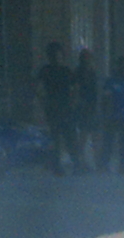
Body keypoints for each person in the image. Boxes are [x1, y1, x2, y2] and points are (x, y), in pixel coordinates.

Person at [37, 42, 76, 175]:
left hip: (66, 108)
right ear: (50, 57)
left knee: (70, 136)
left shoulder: (66, 71)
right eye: (53, 56)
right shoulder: (45, 71)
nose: (56, 58)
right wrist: (43, 102)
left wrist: (73, 102)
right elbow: (38, 88)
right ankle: (56, 165)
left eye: (58, 56)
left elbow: (74, 88)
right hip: (52, 109)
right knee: (55, 139)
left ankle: (76, 162)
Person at [100, 55, 124, 174]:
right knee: (109, 141)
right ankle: (104, 164)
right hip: (112, 116)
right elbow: (105, 98)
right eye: (122, 66)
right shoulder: (112, 81)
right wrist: (104, 113)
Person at [72, 48, 100, 172]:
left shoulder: (92, 72)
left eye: (89, 58)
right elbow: (76, 90)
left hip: (93, 107)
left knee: (95, 136)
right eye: (85, 58)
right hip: (84, 108)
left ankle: (97, 162)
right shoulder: (78, 73)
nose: (87, 61)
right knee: (83, 136)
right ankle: (81, 162)